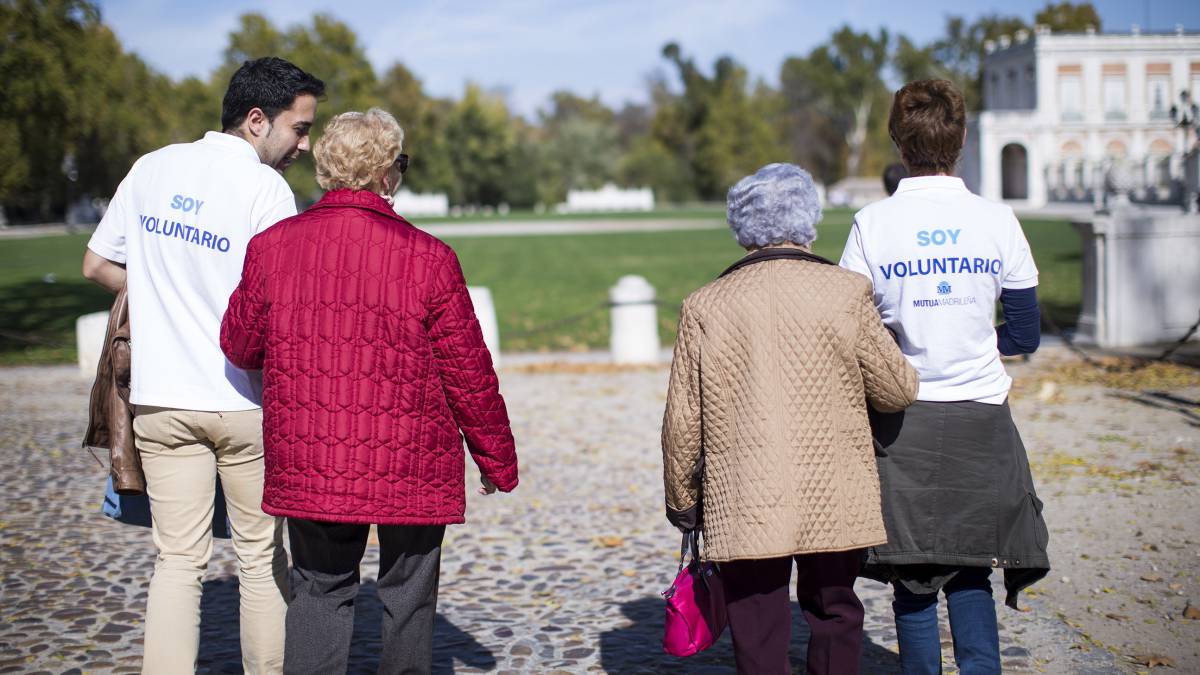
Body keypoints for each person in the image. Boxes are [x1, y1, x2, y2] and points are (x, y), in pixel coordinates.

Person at [220, 108, 519, 675]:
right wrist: (496, 458)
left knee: (318, 591)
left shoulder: (272, 248)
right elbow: (468, 372)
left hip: (313, 453)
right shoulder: (430, 257)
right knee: (408, 597)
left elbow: (239, 344)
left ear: (328, 171)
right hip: (412, 456)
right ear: (387, 174)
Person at [81, 56, 325, 674]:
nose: (305, 143)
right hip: (244, 401)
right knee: (260, 559)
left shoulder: (151, 167)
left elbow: (97, 266)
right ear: (255, 120)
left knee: (177, 562)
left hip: (161, 402)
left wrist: (159, 295)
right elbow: (284, 300)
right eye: (299, 128)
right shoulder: (266, 189)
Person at [661, 163, 919, 675]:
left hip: (745, 491)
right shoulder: (846, 292)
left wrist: (681, 500)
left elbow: (682, 420)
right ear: (809, 220)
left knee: (756, 622)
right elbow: (897, 390)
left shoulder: (706, 304)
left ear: (742, 227)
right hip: (834, 485)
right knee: (835, 612)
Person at [838, 79, 1049, 675]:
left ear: (898, 143)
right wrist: (980, 343)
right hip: (981, 412)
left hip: (904, 413)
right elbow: (1026, 333)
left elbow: (852, 324)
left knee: (913, 574)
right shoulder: (997, 219)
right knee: (971, 565)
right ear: (960, 142)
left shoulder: (872, 223)